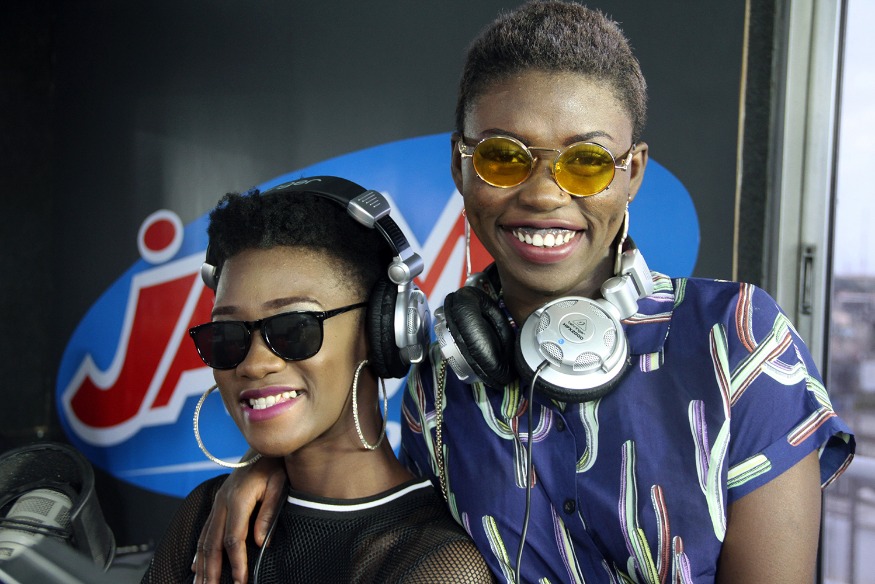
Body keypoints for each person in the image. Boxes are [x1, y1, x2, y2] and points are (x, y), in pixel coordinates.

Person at [192, 2, 856, 583]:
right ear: (461, 166)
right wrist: (273, 464)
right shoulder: (440, 381)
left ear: (631, 173)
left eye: (586, 162)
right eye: (504, 158)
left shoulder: (737, 339)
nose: (542, 195)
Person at [141, 177, 494, 583]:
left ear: (382, 332)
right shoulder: (208, 512)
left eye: (295, 328)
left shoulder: (436, 563)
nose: (254, 364)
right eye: (228, 334)